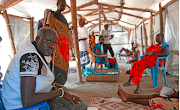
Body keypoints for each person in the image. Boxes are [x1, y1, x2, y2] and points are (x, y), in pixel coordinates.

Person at [2, 27, 87, 110]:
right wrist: (60, 92)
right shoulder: (30, 57)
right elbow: (28, 100)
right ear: (37, 39)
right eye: (48, 41)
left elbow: (38, 75)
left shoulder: (34, 50)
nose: (52, 46)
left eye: (54, 43)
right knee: (81, 106)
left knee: (64, 90)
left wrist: (52, 84)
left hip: (18, 99)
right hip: (17, 105)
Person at [45, 0, 73, 85]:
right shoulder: (53, 15)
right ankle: (56, 84)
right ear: (57, 4)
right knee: (56, 63)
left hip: (65, 46)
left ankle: (61, 84)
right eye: (62, 5)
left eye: (64, 6)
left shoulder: (63, 17)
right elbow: (49, 27)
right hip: (57, 45)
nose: (63, 7)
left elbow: (65, 31)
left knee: (64, 64)